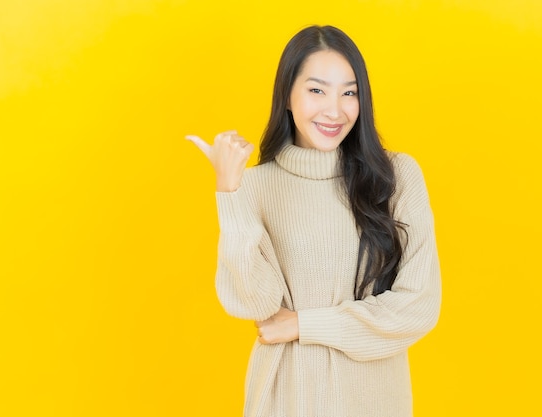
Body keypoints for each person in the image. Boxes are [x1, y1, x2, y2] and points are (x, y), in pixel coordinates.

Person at [186, 25, 441, 417]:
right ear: (287, 95)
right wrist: (230, 193)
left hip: (376, 402)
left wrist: (304, 324)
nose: (334, 110)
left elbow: (418, 307)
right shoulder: (255, 186)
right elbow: (256, 303)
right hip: (286, 398)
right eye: (317, 90)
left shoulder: (397, 177)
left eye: (349, 92)